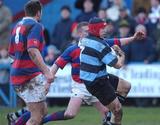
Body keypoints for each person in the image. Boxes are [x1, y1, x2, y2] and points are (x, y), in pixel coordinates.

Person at [8, 20, 144, 125]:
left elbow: (119, 41)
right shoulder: (72, 49)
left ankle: (22, 117)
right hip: (80, 86)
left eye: (89, 30)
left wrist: (133, 38)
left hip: (96, 83)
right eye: (85, 31)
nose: (88, 33)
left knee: (108, 112)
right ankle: (40, 120)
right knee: (69, 114)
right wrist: (48, 80)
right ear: (79, 33)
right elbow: (56, 65)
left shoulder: (99, 43)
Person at [79, 17, 144, 125]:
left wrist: (133, 38)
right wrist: (122, 54)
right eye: (102, 28)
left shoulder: (86, 40)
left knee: (125, 86)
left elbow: (117, 41)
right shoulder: (100, 45)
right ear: (95, 29)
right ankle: (111, 117)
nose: (105, 30)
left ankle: (109, 118)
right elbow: (118, 65)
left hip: (100, 76)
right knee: (118, 111)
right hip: (97, 82)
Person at [8, 1, 54, 125]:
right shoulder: (36, 25)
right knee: (37, 117)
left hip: (18, 74)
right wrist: (47, 72)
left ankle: (14, 121)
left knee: (43, 111)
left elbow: (11, 54)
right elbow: (32, 50)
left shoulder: (17, 26)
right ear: (38, 13)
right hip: (28, 76)